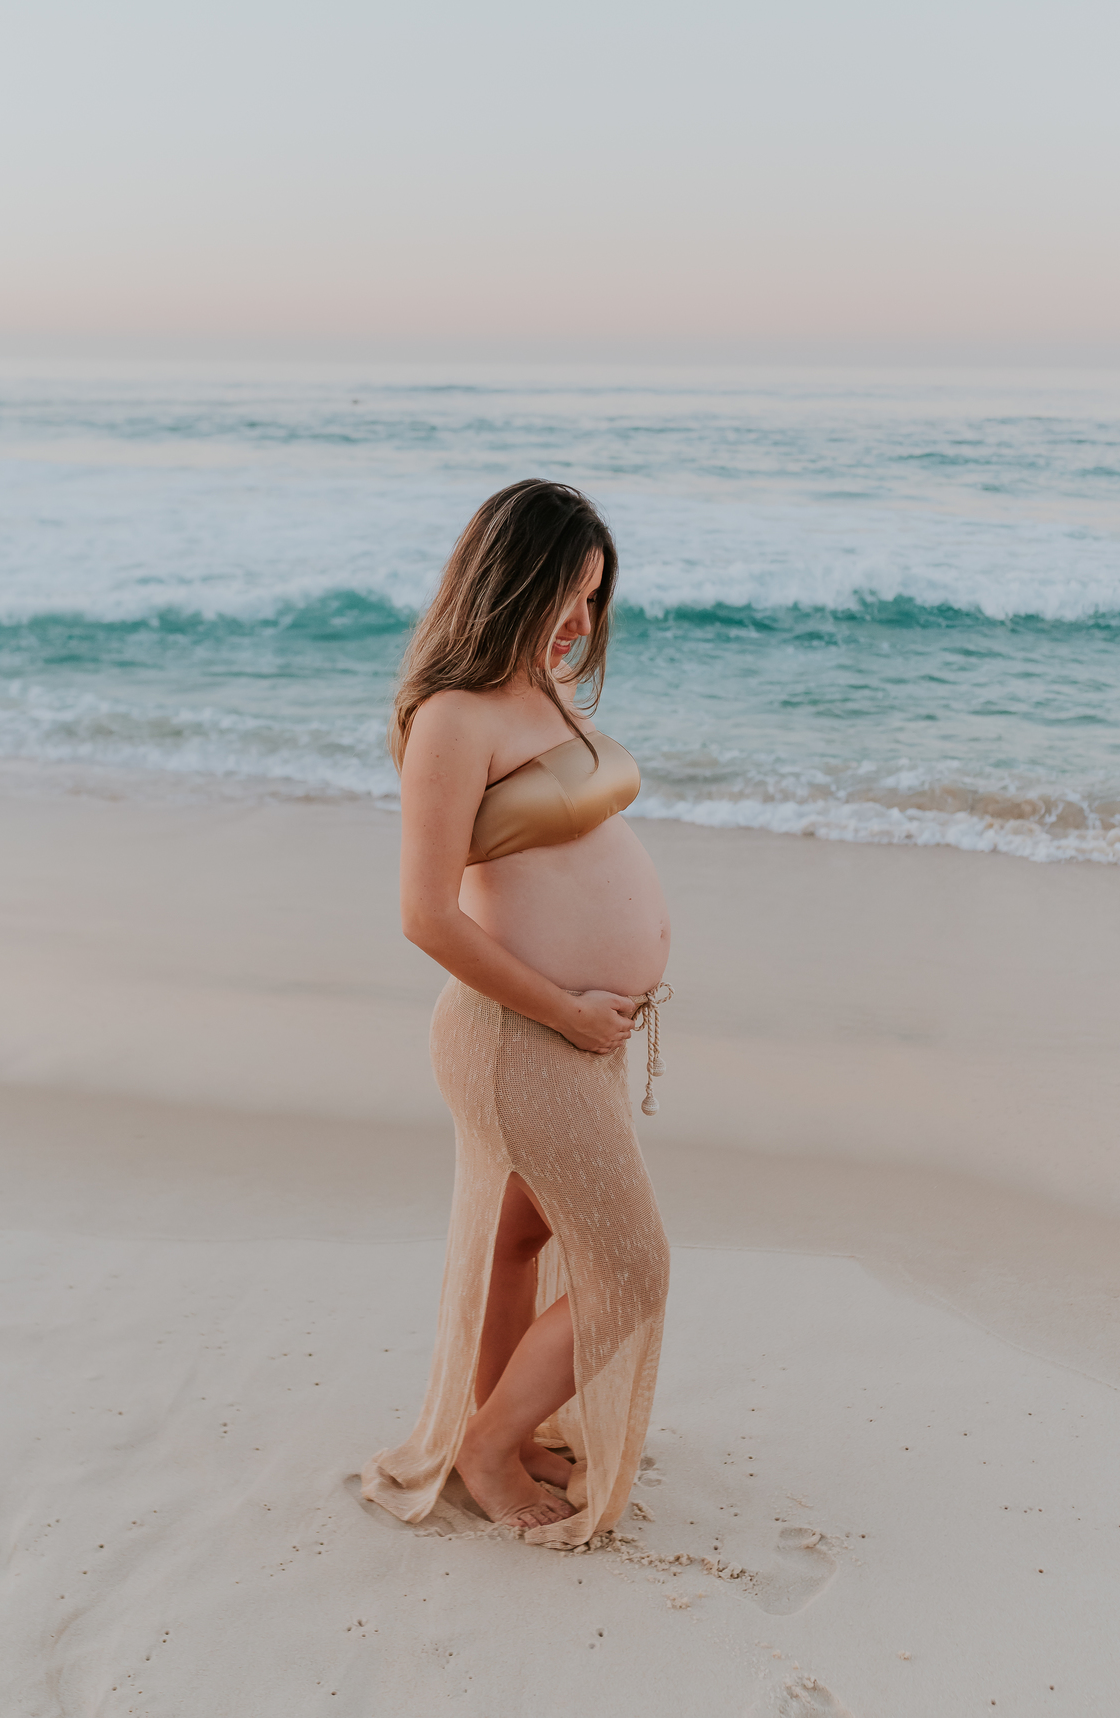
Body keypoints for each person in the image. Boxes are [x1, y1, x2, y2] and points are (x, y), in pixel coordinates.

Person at [360, 478, 672, 1547]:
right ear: (512, 582)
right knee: (630, 1266)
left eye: (595, 599)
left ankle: (507, 1423)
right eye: (566, 596)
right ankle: (491, 1447)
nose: (582, 623)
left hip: (570, 1034)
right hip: (515, 1033)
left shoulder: (542, 694)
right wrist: (568, 1013)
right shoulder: (453, 718)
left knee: (526, 1235)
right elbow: (424, 915)